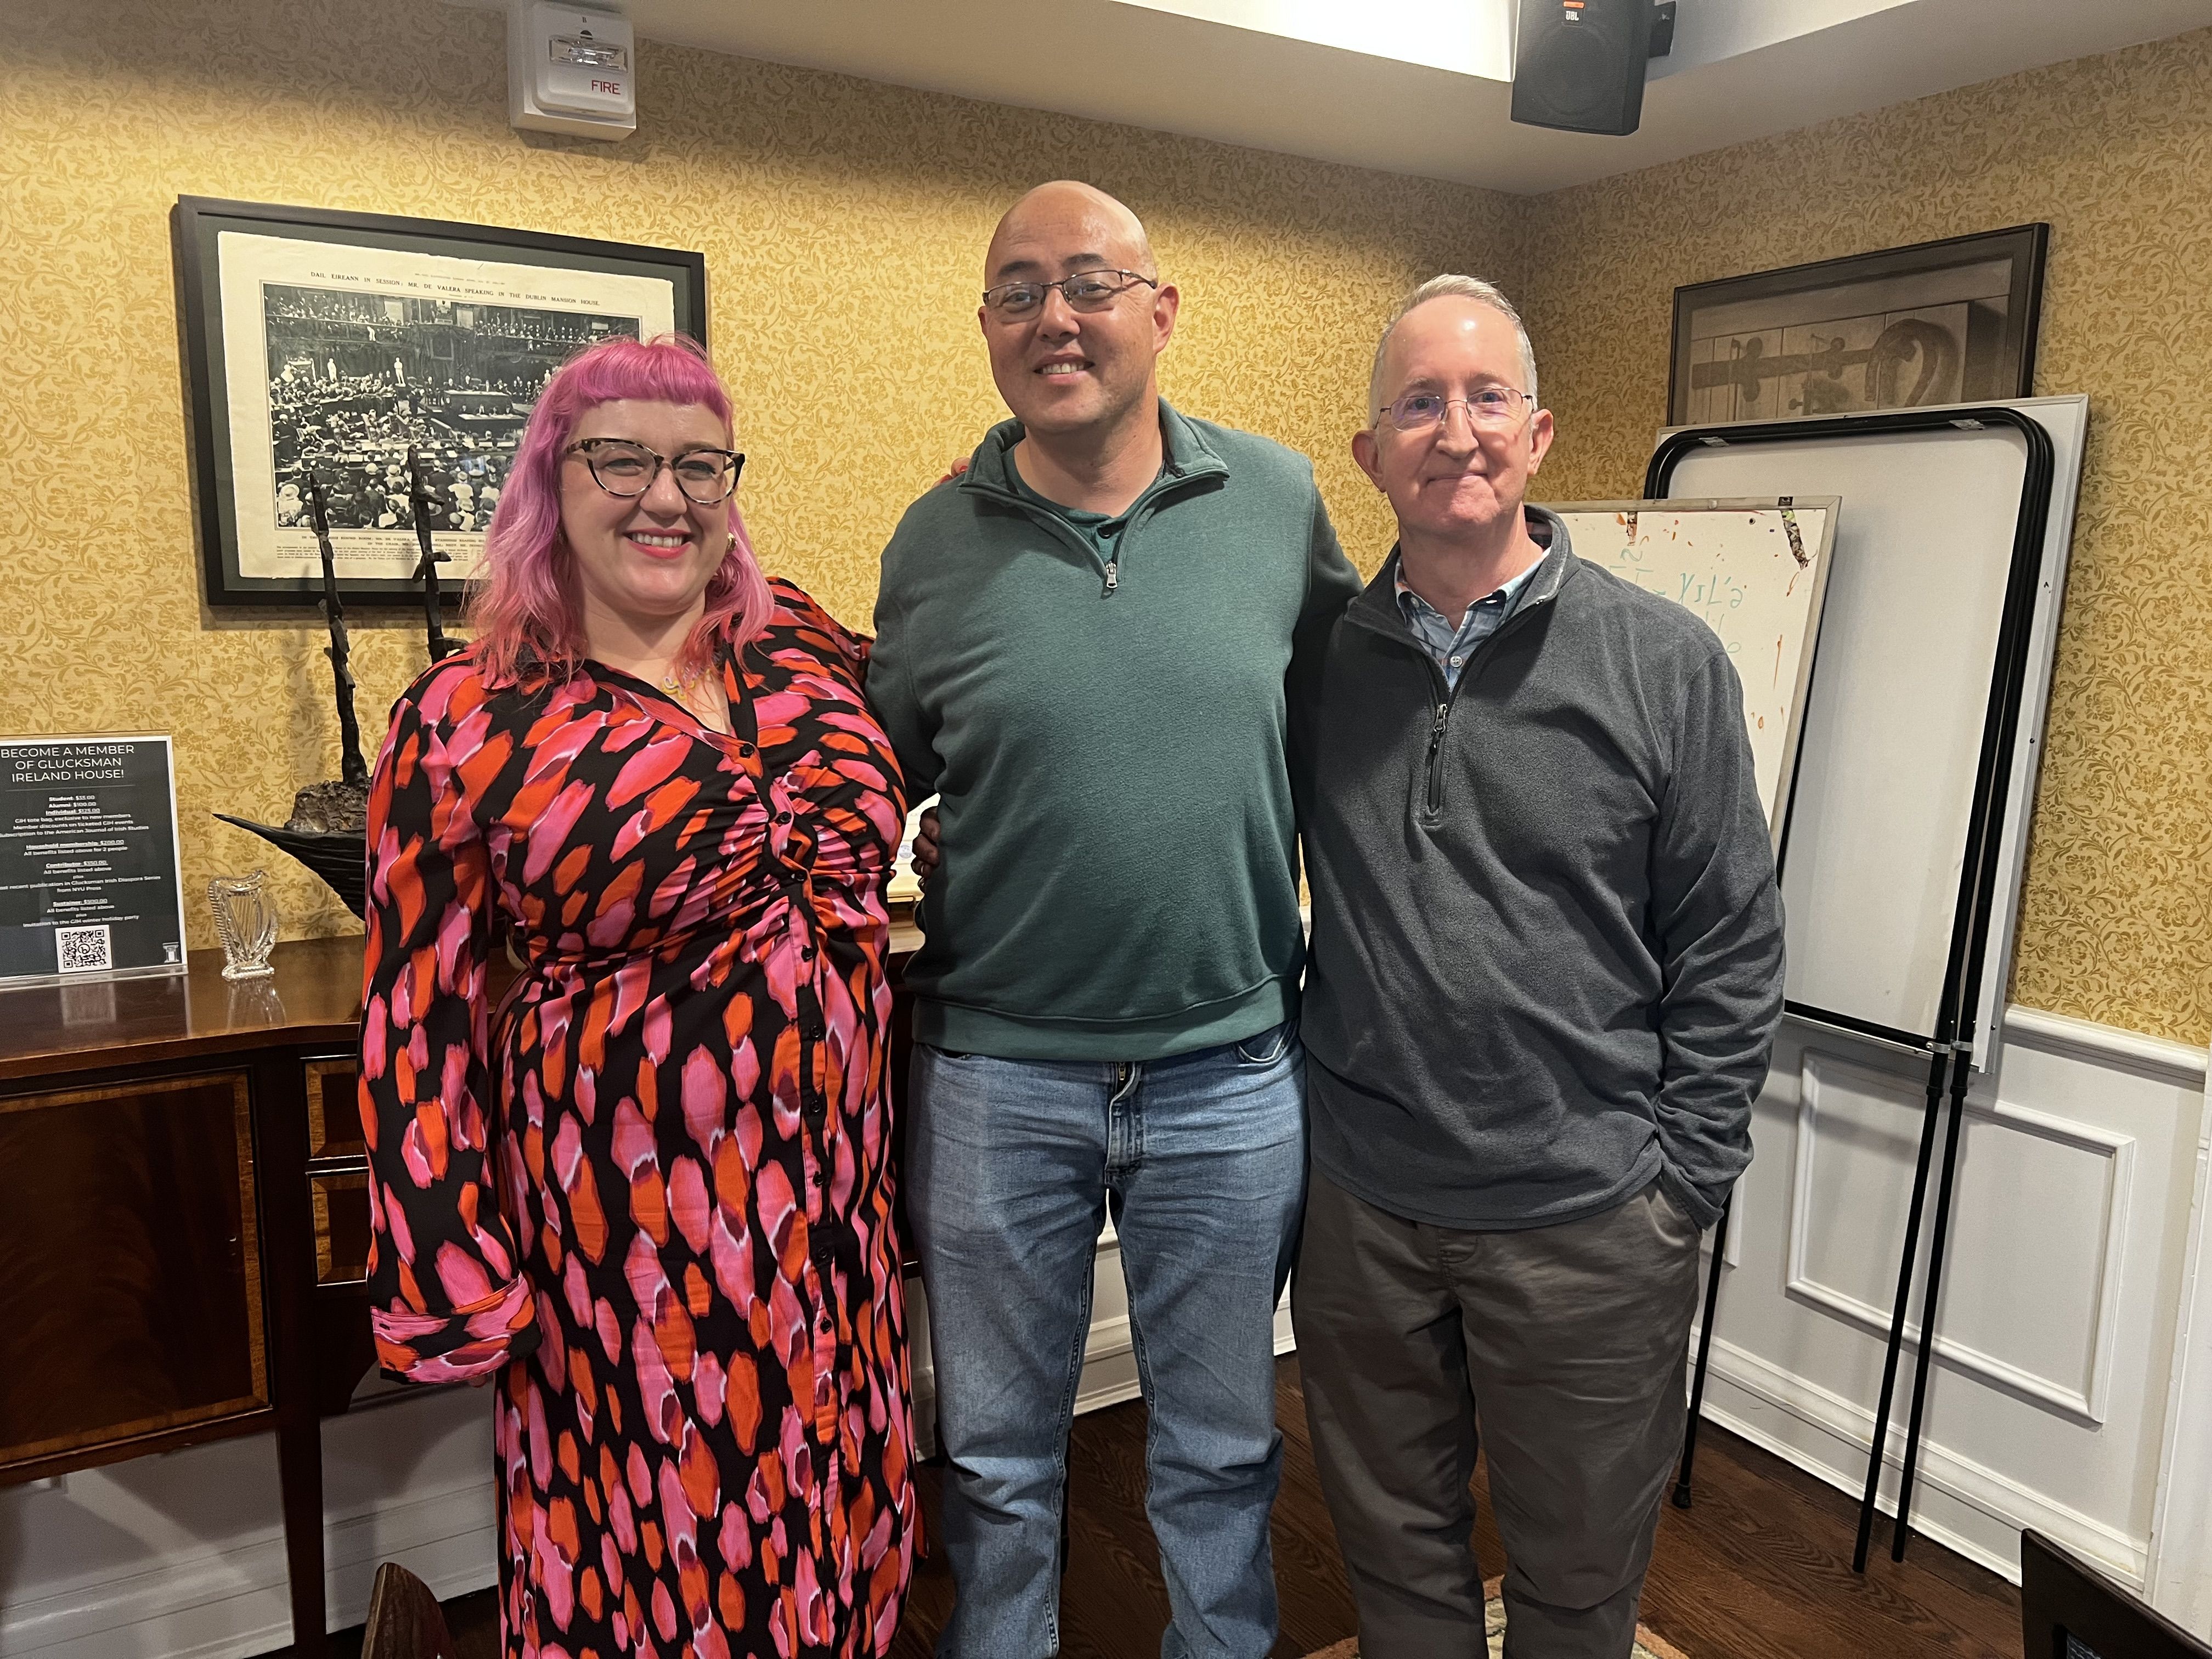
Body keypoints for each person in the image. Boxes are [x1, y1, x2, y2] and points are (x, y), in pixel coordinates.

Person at [359, 334, 916, 1659]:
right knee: (660, 1553)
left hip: (838, 1222)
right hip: (630, 1247)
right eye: (621, 459)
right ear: (553, 482)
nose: (664, 497)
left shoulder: (807, 654)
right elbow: (414, 1013)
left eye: (697, 465)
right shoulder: (468, 715)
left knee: (845, 1514)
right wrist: (446, 1263)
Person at [868, 181, 1361, 1659]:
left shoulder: (1275, 505)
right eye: (1017, 291)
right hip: (996, 1078)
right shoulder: (935, 537)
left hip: (1230, 1073)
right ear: (986, 330)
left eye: (1089, 282)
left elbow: (1350, 744)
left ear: (1160, 309)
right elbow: (867, 769)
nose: (1054, 317)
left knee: (1220, 1454)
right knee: (1002, 1466)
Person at [1291, 275, 1786, 1659]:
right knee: (1396, 1566)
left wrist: (1682, 1185)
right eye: (1419, 403)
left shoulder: (1663, 661)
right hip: (1366, 1210)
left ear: (1542, 431)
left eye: (1486, 396)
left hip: (1592, 1218)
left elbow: (1733, 940)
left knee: (1577, 1583)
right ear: (1370, 452)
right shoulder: (1317, 663)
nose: (1456, 430)